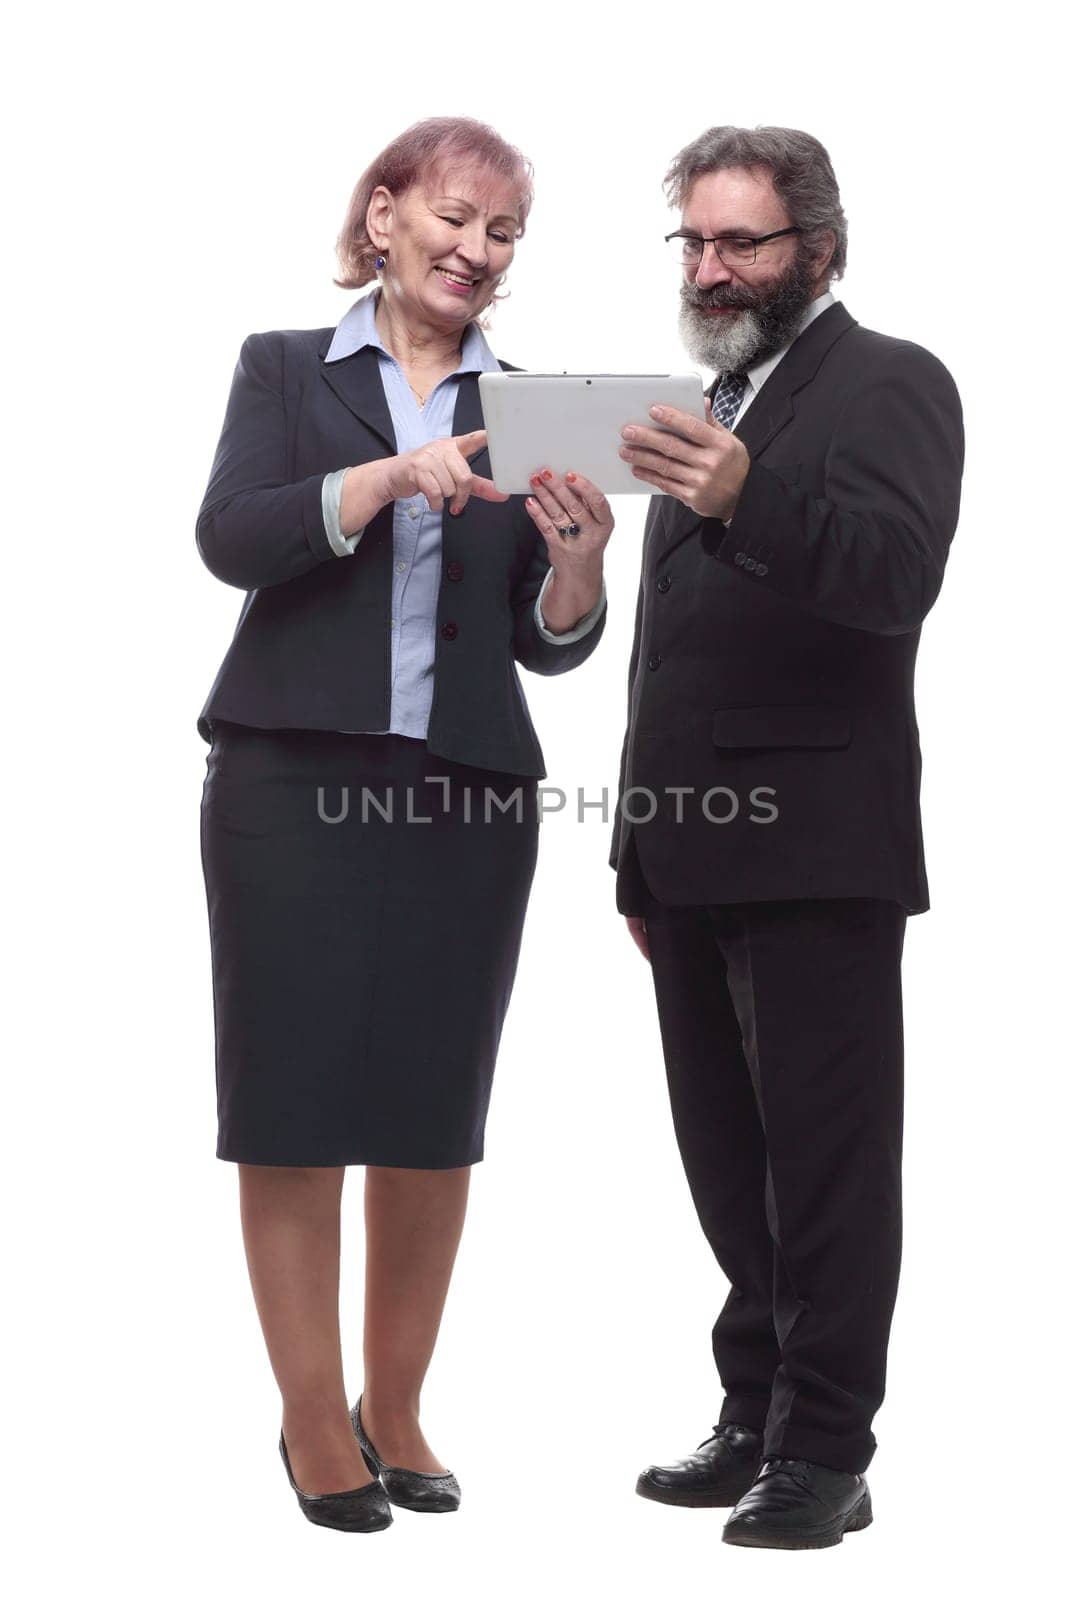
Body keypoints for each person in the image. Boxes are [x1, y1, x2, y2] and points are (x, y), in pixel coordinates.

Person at [196, 116, 613, 1533]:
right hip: (291, 779)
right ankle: (314, 1418)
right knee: (298, 1102)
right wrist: (384, 480)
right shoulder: (284, 371)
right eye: (455, 218)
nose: (478, 252)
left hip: (469, 791)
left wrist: (574, 573)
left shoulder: (538, 406)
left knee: (433, 1115)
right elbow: (232, 536)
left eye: (505, 235)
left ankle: (399, 1403)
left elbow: (546, 642)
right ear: (383, 218)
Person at [610, 125, 964, 1550]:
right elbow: (666, 656)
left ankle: (826, 1450)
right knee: (725, 1155)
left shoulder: (891, 382)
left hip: (817, 844)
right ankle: (755, 1410)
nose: (714, 266)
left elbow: (894, 577)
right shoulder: (713, 400)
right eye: (696, 241)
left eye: (742, 240)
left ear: (814, 246)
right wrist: (634, 851)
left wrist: (743, 492)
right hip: (689, 850)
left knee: (824, 1156)